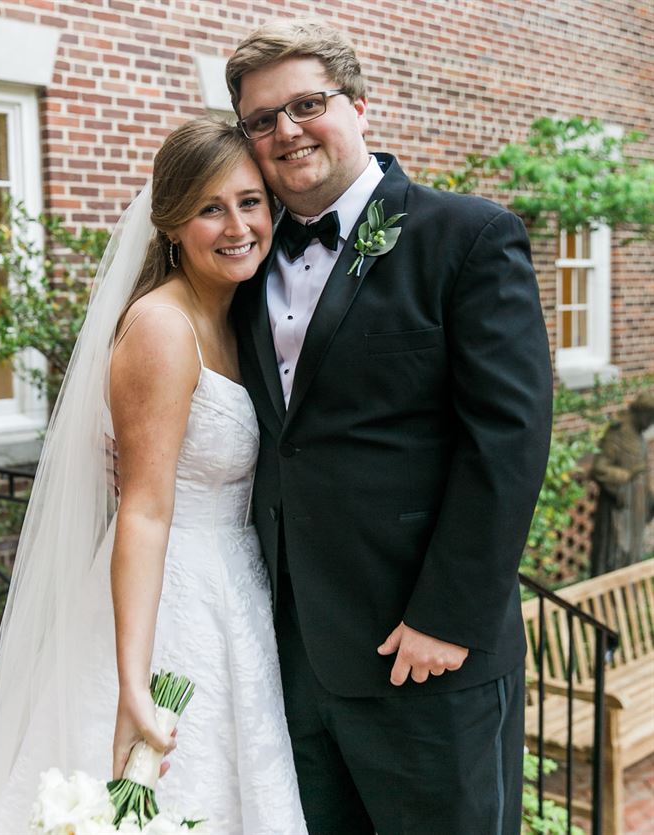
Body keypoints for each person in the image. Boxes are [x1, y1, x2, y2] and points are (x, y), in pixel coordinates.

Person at [226, 20, 553, 835]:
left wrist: (449, 615)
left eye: (307, 104)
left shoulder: (467, 237)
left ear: (361, 106)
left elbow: (508, 440)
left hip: (423, 652)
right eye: (262, 120)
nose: (286, 130)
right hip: (289, 652)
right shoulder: (241, 255)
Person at [0, 119, 306, 834]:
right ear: (171, 224)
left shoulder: (239, 315)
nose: (237, 225)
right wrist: (134, 682)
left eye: (251, 201)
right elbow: (143, 510)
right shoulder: (163, 329)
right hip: (171, 602)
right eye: (210, 208)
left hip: (237, 592)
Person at [590, 393, 654, 576]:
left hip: (636, 506)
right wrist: (626, 476)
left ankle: (627, 597)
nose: (651, 424)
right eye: (651, 418)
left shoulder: (639, 436)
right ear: (642, 413)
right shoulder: (617, 433)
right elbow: (599, 468)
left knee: (633, 553)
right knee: (615, 553)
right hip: (618, 508)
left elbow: (643, 474)